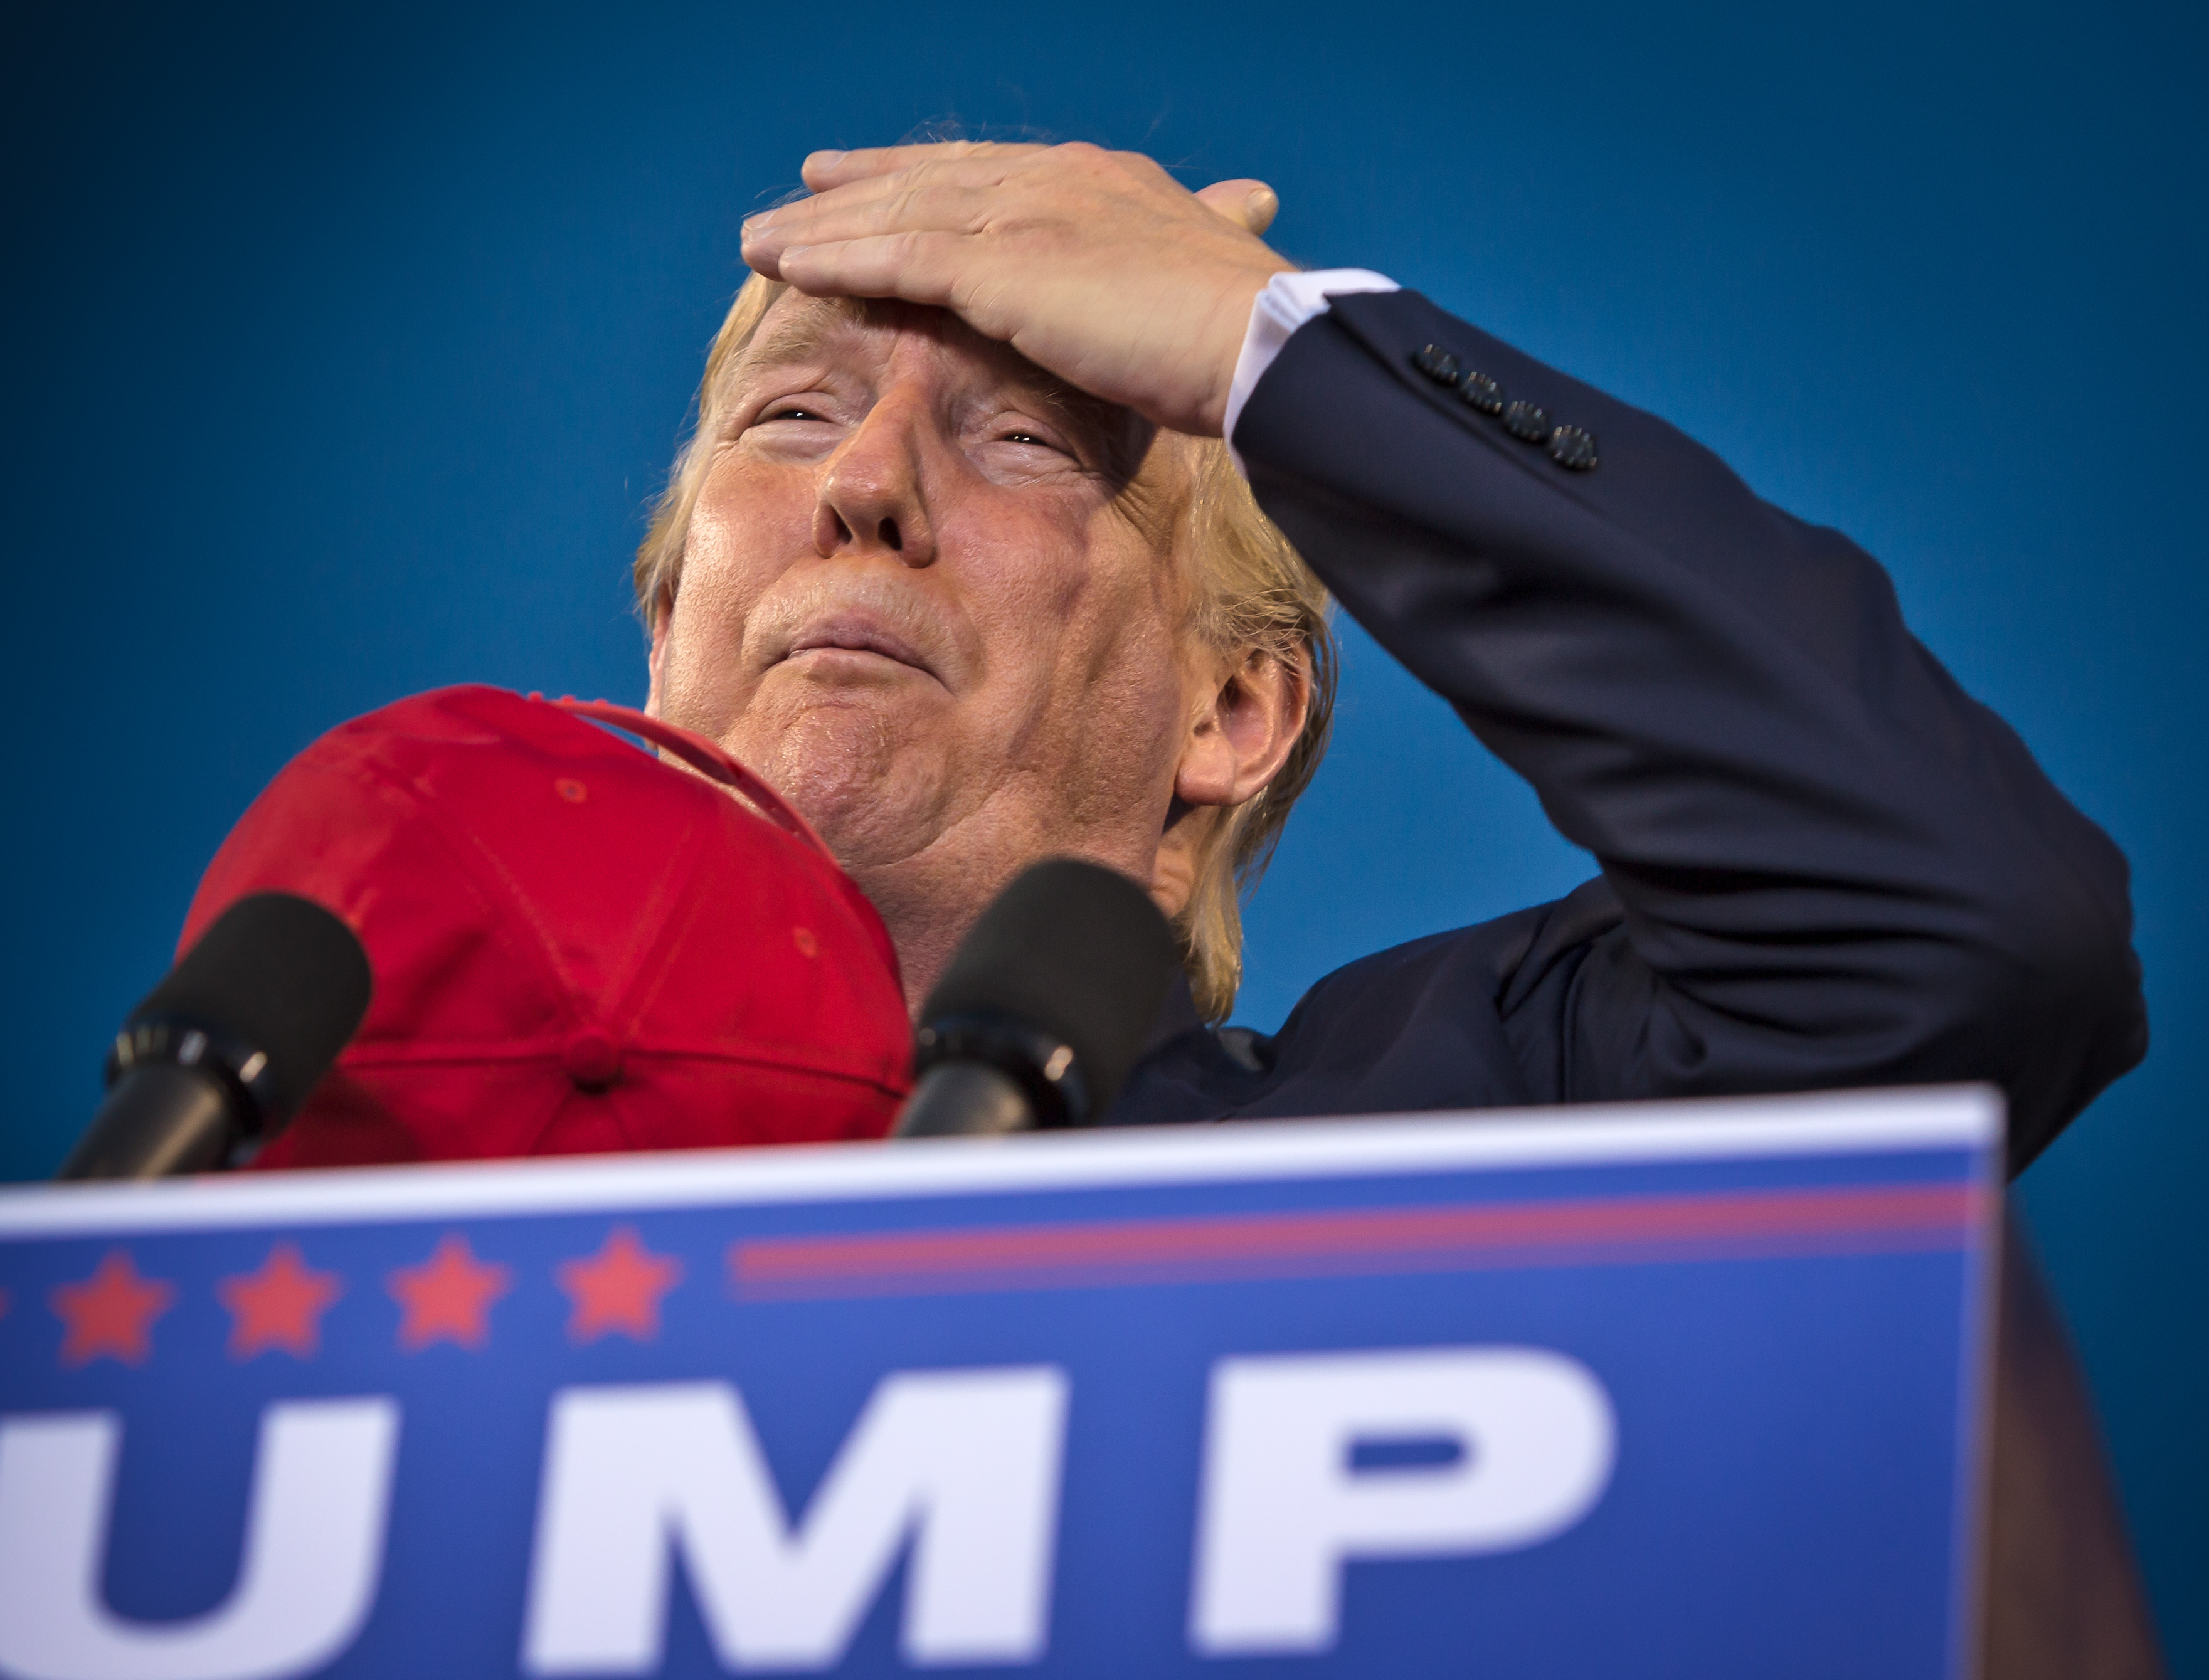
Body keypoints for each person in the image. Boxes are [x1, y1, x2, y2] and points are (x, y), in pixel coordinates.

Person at [636, 140, 2143, 1178]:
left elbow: (1959, 925)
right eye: (788, 416)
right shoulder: (405, 1129)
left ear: (1232, 710)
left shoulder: (1460, 1129)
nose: (863, 481)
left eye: (1024, 437)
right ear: (664, 632)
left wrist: (1270, 350)